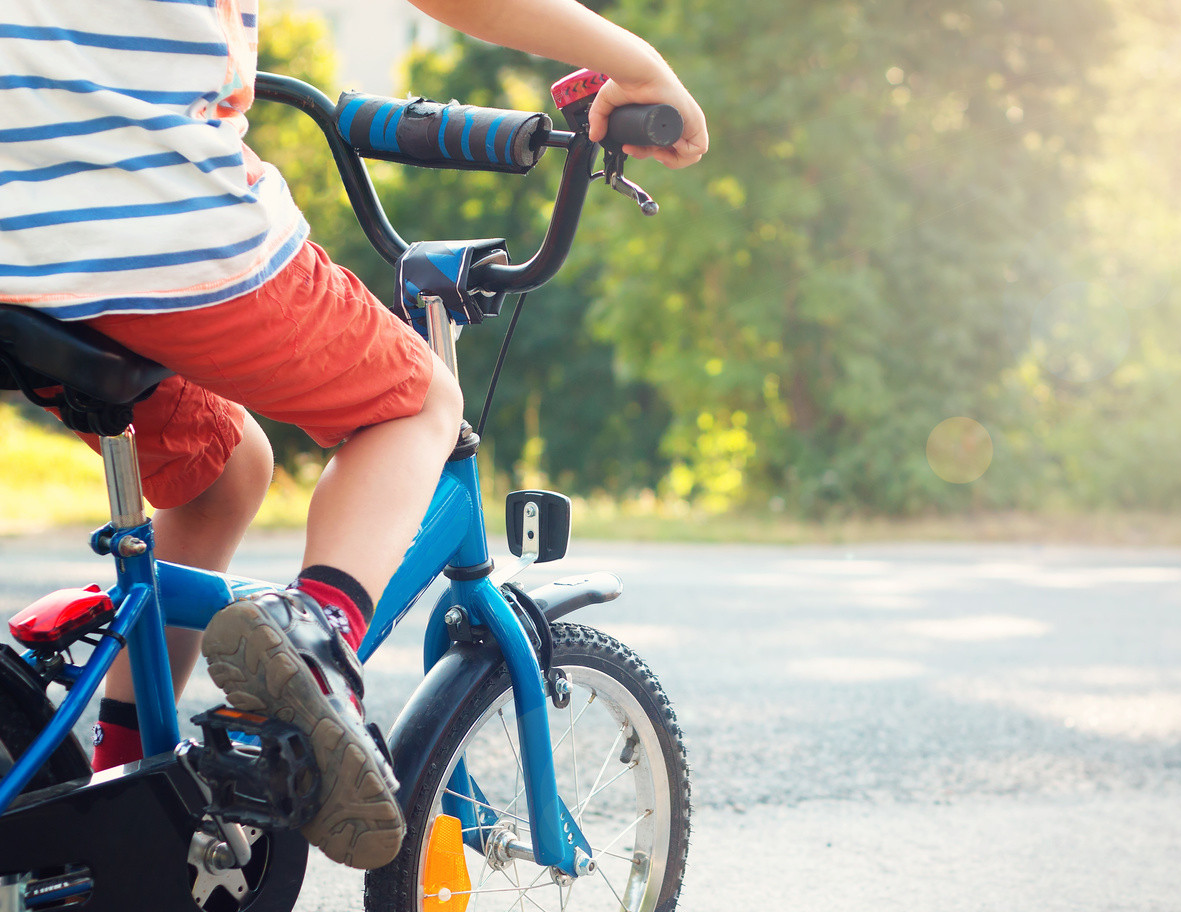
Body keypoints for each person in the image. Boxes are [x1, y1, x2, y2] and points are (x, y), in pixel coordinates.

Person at [0, 0, 706, 870]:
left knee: (221, 469)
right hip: (147, 216)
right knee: (414, 402)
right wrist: (633, 59)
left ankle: (121, 801)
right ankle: (314, 636)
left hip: (16, 242)